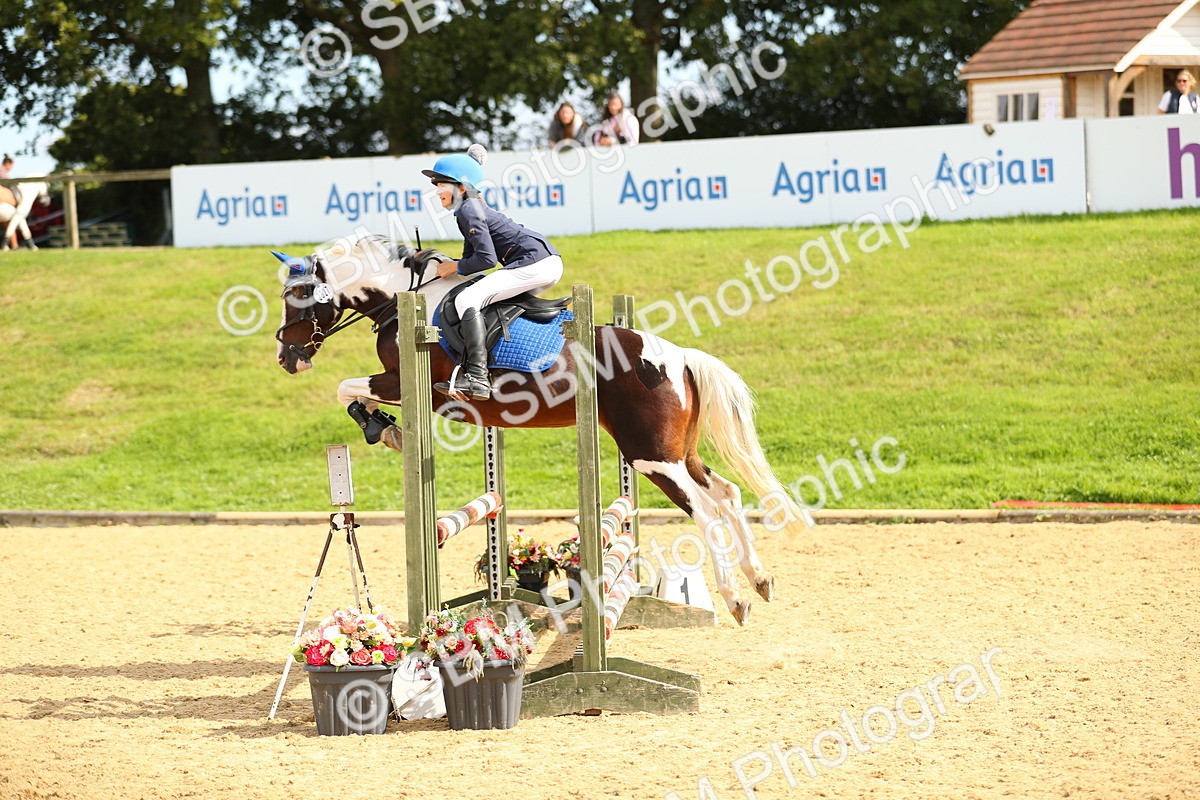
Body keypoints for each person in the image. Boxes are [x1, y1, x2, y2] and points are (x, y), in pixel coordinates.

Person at [420, 144, 564, 401]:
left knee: (467, 299)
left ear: (461, 188)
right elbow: (470, 257)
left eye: (442, 184)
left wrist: (455, 267)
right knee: (481, 297)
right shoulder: (467, 209)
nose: (437, 191)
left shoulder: (468, 209)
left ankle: (477, 375)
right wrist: (443, 263)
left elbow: (486, 259)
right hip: (541, 261)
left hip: (535, 263)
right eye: (437, 185)